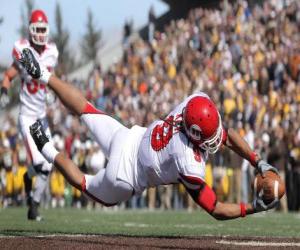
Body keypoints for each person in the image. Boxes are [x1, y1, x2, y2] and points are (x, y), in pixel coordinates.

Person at [20, 48, 279, 219]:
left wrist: (257, 161)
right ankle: (47, 149)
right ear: (196, 133)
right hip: (125, 176)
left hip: (129, 137)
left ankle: (42, 74)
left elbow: (227, 135)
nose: (218, 139)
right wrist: (253, 208)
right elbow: (215, 208)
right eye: (210, 137)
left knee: (86, 108)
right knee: (85, 184)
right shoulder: (189, 161)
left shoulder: (191, 104)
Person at [0, 10, 58, 220]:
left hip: (42, 117)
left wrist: (52, 93)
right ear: (31, 30)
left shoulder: (52, 51)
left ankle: (31, 196)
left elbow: (52, 79)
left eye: (44, 29)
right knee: (41, 164)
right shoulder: (22, 48)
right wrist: (4, 91)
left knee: (49, 164)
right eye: (38, 29)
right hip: (27, 117)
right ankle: (33, 205)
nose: (41, 34)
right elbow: (8, 75)